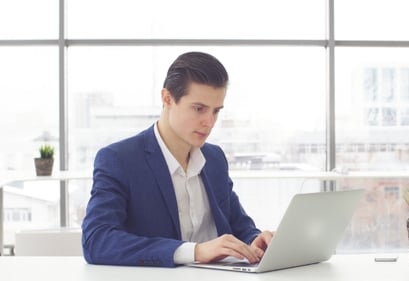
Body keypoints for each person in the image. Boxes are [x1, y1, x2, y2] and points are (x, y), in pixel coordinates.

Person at [81, 51, 273, 267]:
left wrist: (255, 241)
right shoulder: (119, 160)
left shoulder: (215, 158)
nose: (209, 122)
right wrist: (195, 252)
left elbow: (240, 226)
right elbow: (96, 241)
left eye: (216, 111)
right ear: (167, 98)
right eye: (199, 109)